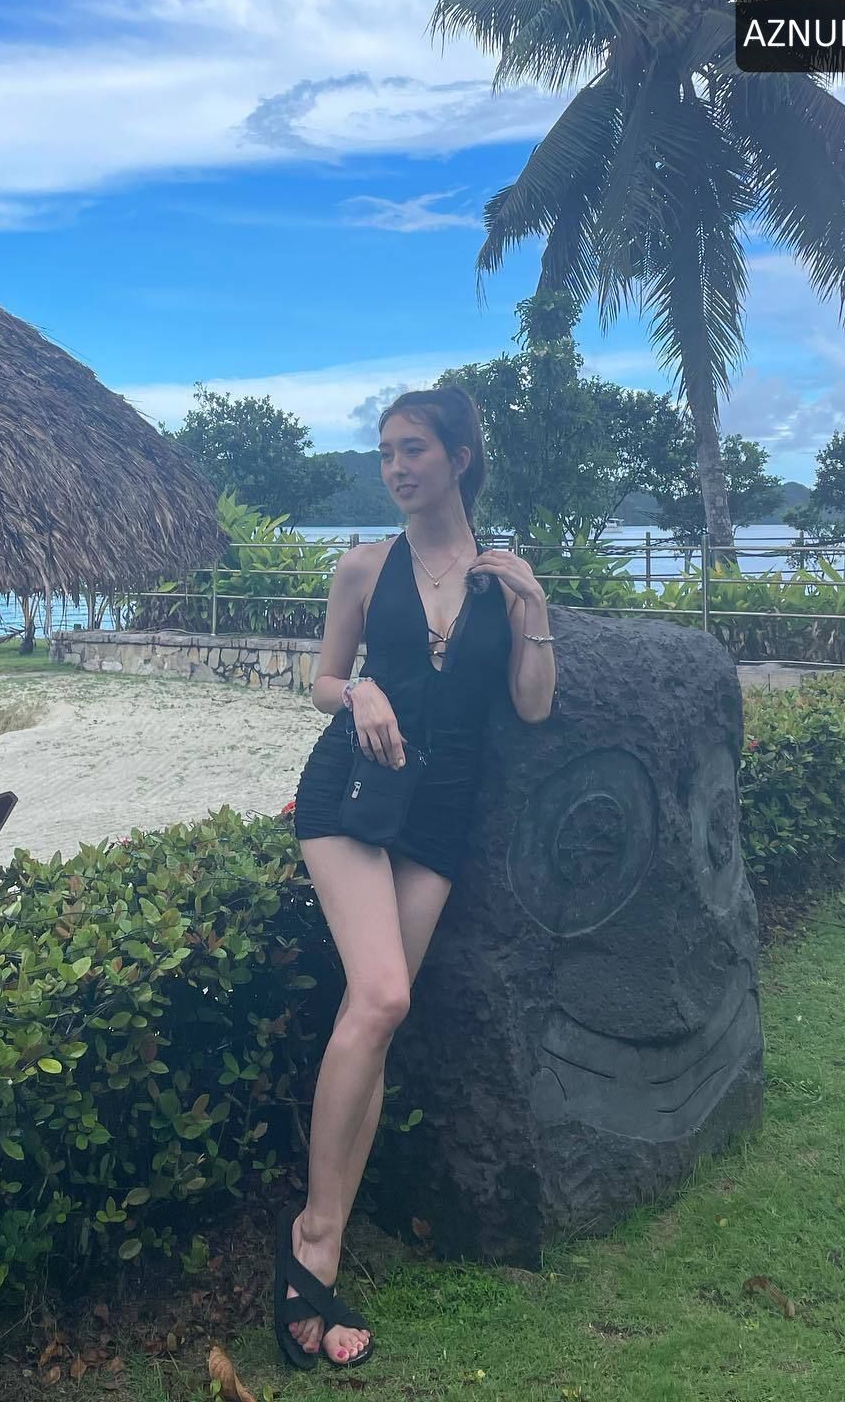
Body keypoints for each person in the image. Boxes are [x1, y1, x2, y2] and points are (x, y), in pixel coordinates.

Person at [274, 384, 557, 1370]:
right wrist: (359, 689)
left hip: (438, 817)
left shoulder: (499, 581)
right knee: (385, 995)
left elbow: (531, 705)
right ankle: (313, 1241)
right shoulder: (363, 565)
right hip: (348, 797)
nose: (396, 467)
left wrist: (535, 607)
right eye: (387, 451)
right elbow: (320, 679)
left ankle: (325, 1238)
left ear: (460, 458)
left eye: (413, 450)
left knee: (376, 1020)